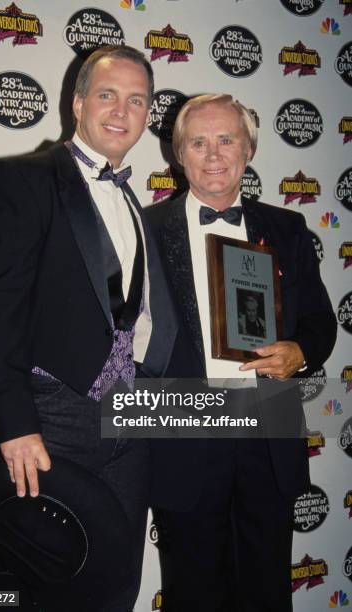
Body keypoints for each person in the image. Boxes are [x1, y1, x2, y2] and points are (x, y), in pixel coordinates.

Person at [0, 45, 176, 611]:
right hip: (49, 418)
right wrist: (14, 424)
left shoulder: (137, 203)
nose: (121, 110)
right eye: (107, 94)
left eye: (137, 100)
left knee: (115, 582)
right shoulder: (16, 180)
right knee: (42, 582)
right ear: (78, 103)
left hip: (130, 427)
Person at [146, 94, 337, 612]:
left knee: (267, 588)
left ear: (248, 148)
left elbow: (321, 321)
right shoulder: (145, 229)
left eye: (226, 139)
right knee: (192, 591)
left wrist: (300, 351)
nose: (213, 154)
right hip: (183, 431)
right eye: (198, 142)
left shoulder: (287, 229)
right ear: (178, 154)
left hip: (266, 430)